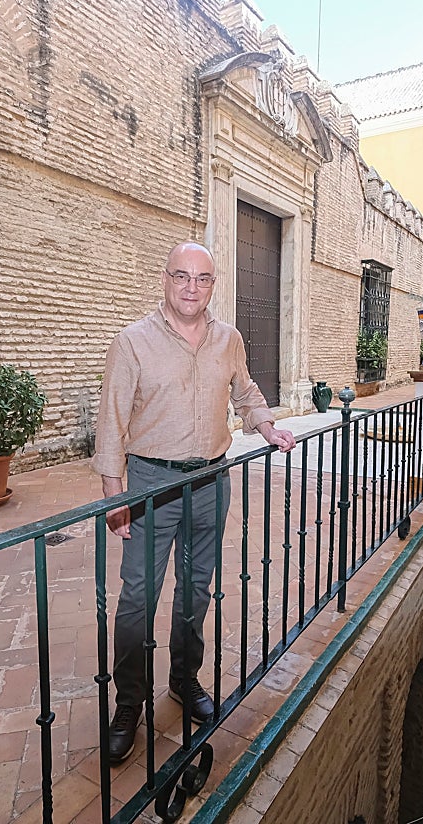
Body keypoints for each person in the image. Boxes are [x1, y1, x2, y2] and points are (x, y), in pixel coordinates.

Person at [92, 241, 296, 766]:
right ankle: (129, 704)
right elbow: (111, 423)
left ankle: (185, 680)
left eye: (202, 278)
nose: (191, 287)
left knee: (197, 589)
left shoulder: (228, 339)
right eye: (181, 276)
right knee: (138, 598)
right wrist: (115, 498)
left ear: (212, 285)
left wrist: (266, 426)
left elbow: (245, 391)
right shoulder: (132, 342)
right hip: (149, 486)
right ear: (165, 279)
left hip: (211, 481)